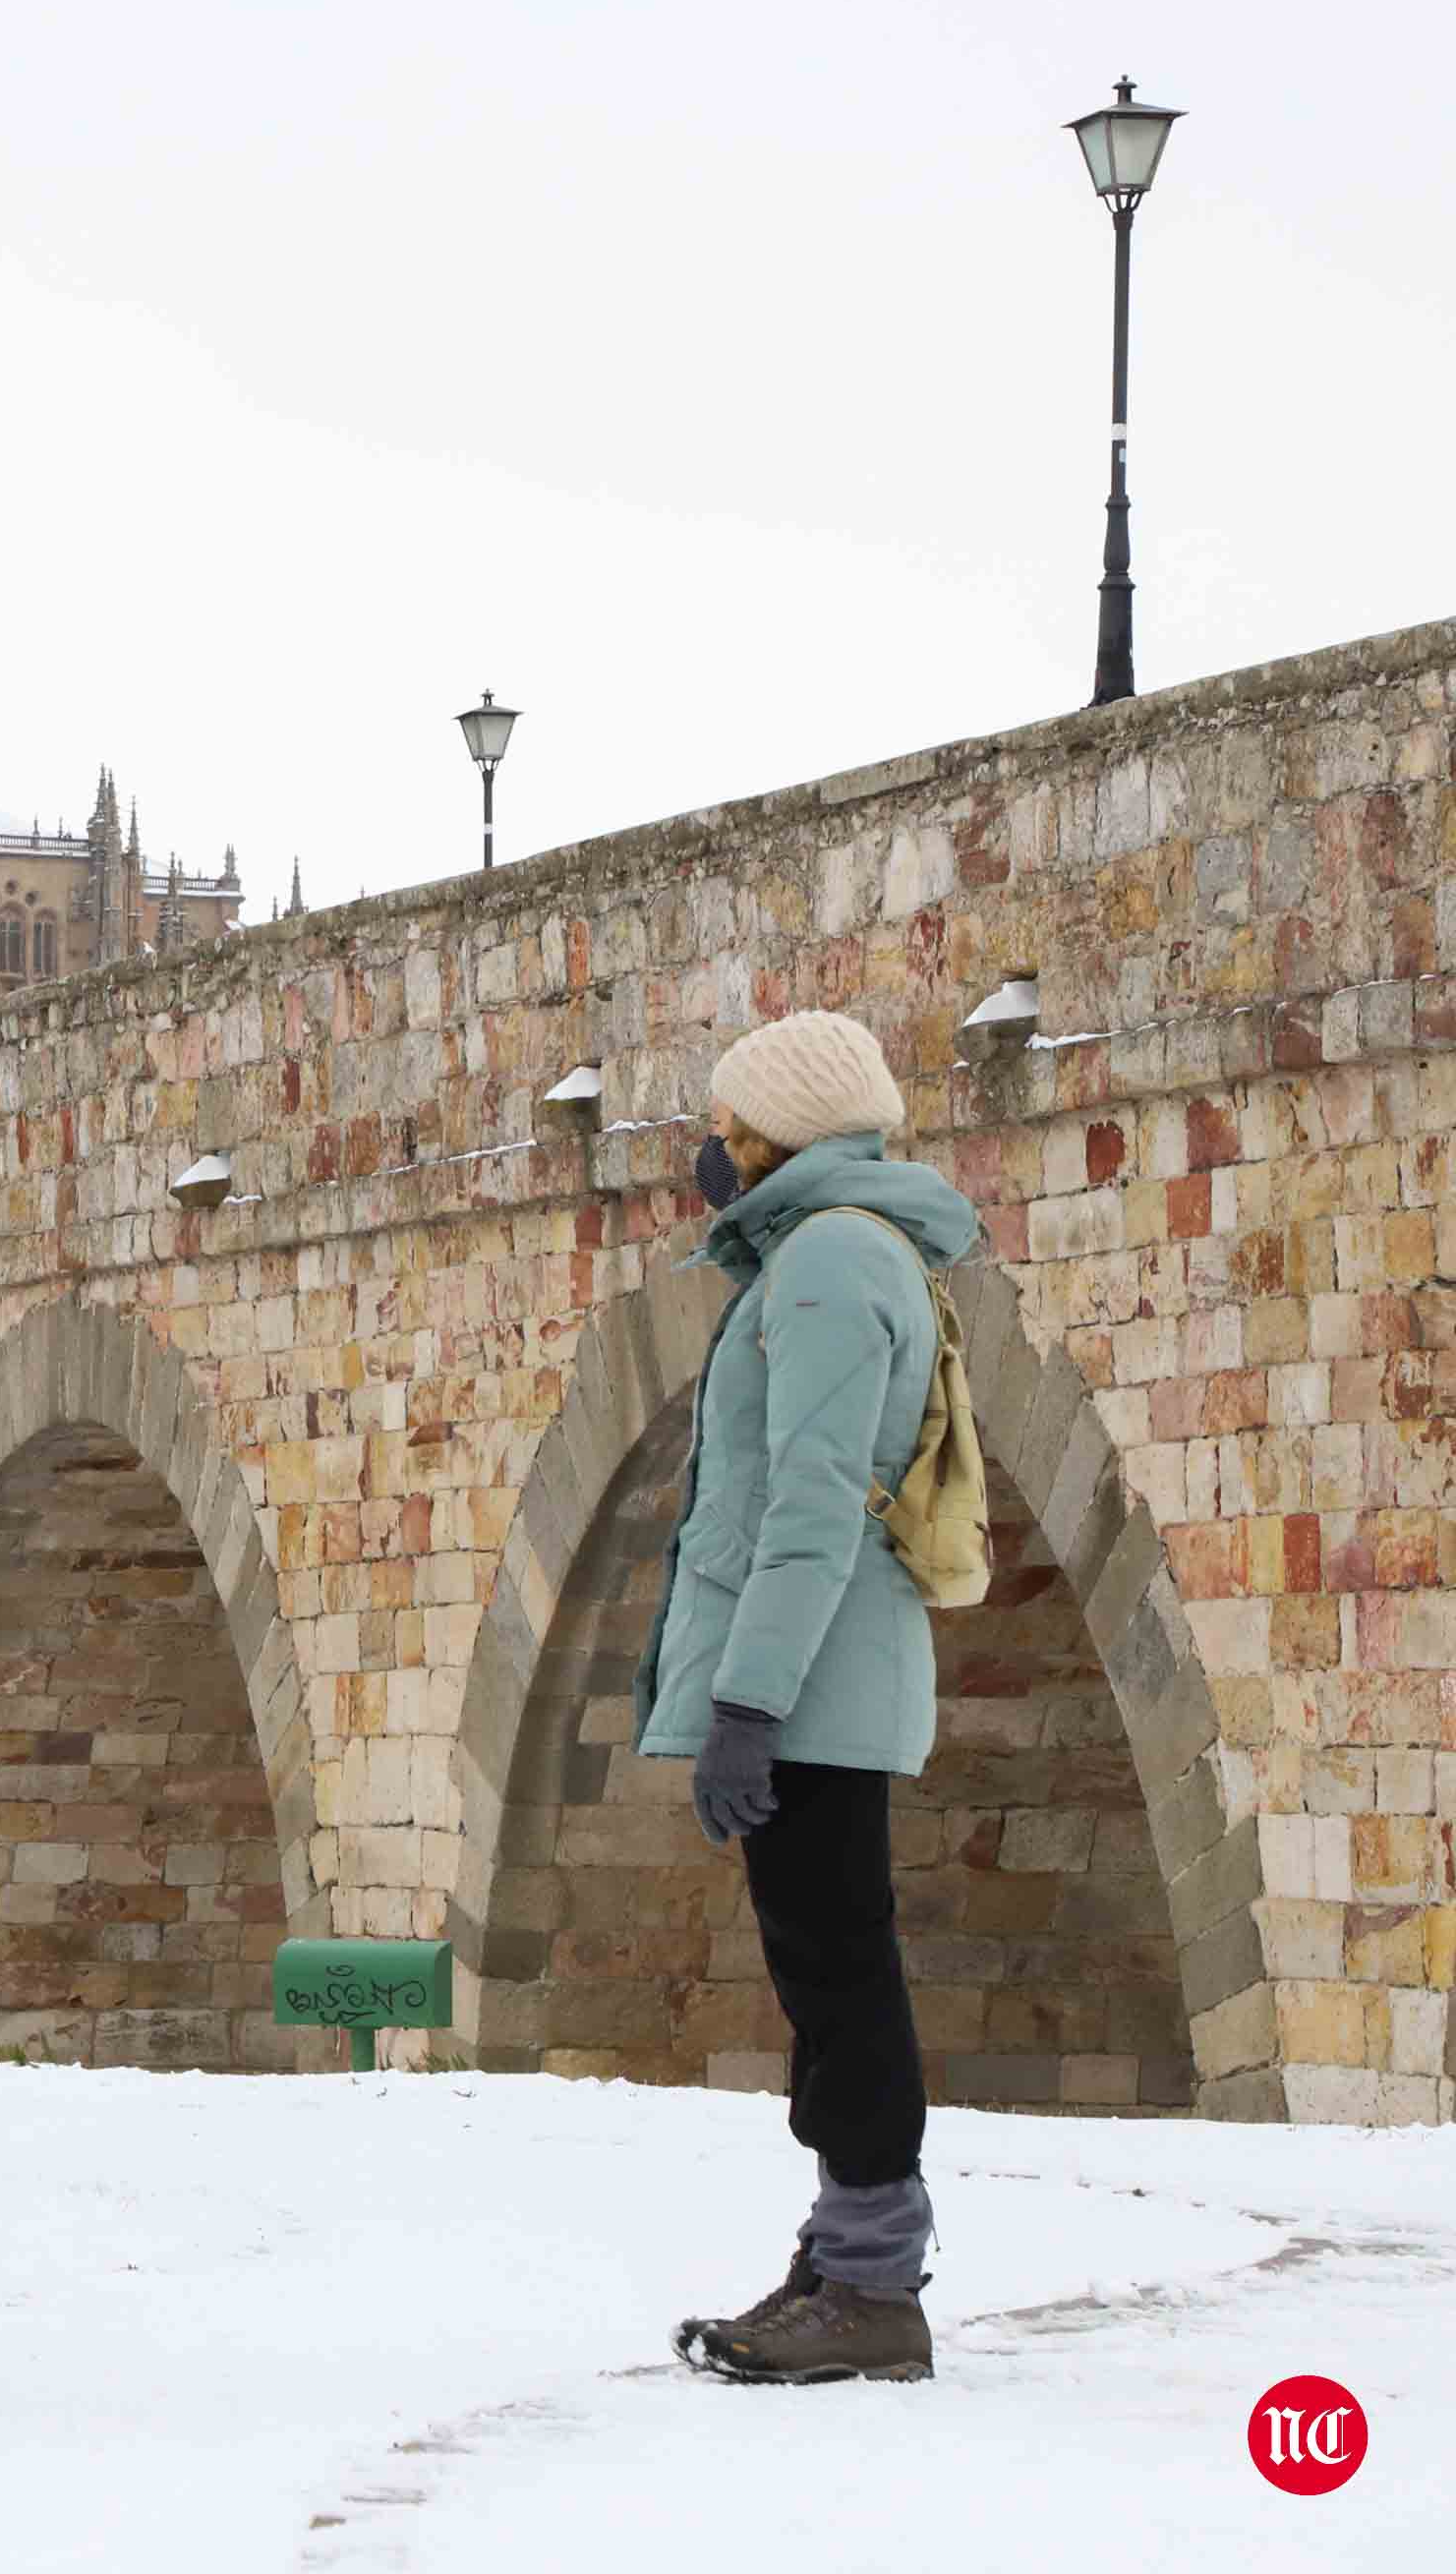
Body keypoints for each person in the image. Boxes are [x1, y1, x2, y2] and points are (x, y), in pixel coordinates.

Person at [640, 1009, 979, 2387]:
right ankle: (849, 2250)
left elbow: (811, 1507)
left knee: (841, 1973)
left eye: (730, 1128)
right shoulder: (825, 1250)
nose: (714, 1153)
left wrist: (750, 1704)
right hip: (816, 1680)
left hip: (815, 1687)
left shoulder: (834, 1258)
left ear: (780, 1132)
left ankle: (871, 2281)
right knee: (826, 1967)